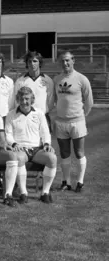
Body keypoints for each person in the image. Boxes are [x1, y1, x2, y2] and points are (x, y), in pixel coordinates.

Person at [5, 87, 57, 203]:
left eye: (27, 99)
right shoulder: (11, 114)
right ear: (18, 100)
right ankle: (24, 193)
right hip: (21, 149)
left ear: (32, 99)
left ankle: (45, 193)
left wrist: (47, 144)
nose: (24, 102)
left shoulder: (39, 113)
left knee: (52, 158)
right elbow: (8, 134)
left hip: (37, 149)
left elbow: (45, 132)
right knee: (19, 158)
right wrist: (14, 144)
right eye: (22, 99)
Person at [53, 51, 93, 193]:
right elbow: (54, 100)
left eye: (68, 60)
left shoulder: (82, 79)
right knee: (64, 153)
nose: (65, 63)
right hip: (61, 122)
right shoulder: (57, 79)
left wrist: (81, 116)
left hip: (77, 122)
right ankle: (66, 182)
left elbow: (89, 102)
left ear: (73, 60)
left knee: (79, 152)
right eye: (62, 61)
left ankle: (80, 182)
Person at [13, 51, 55, 116]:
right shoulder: (20, 81)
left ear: (40, 63)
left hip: (43, 117)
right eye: (29, 61)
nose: (32, 64)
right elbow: (17, 101)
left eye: (35, 61)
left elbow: (51, 101)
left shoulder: (48, 80)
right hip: (25, 116)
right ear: (26, 63)